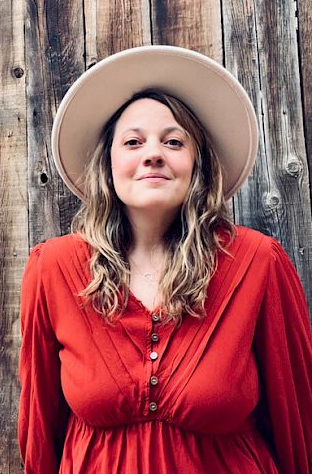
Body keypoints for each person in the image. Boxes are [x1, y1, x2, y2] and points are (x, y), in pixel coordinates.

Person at [17, 46, 311, 473]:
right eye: (133, 141)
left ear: (197, 164)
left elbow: (296, 422)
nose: (153, 154)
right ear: (109, 163)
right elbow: (40, 430)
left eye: (173, 141)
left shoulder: (258, 263)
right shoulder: (53, 268)